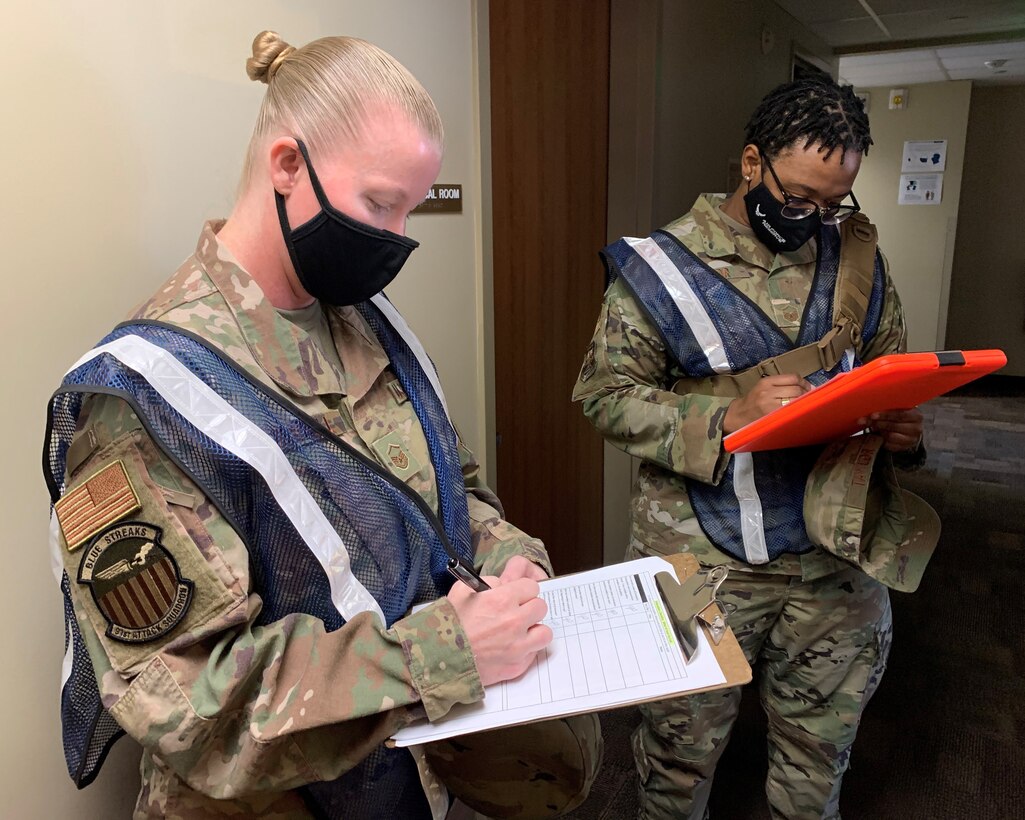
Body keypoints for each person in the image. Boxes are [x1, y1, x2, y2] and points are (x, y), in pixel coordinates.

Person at [45, 31, 599, 819]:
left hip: (409, 774)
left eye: (410, 210)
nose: (397, 238)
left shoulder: (366, 322)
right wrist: (441, 654)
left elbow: (454, 495)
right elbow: (188, 705)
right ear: (286, 165)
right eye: (379, 204)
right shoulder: (147, 395)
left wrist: (511, 565)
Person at [573, 75, 938, 820]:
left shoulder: (858, 263)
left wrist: (902, 431)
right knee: (676, 756)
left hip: (836, 556)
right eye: (798, 197)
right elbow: (602, 397)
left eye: (834, 204)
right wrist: (726, 415)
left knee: (818, 755)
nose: (813, 218)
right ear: (750, 164)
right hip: (695, 562)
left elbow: (887, 371)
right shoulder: (659, 268)